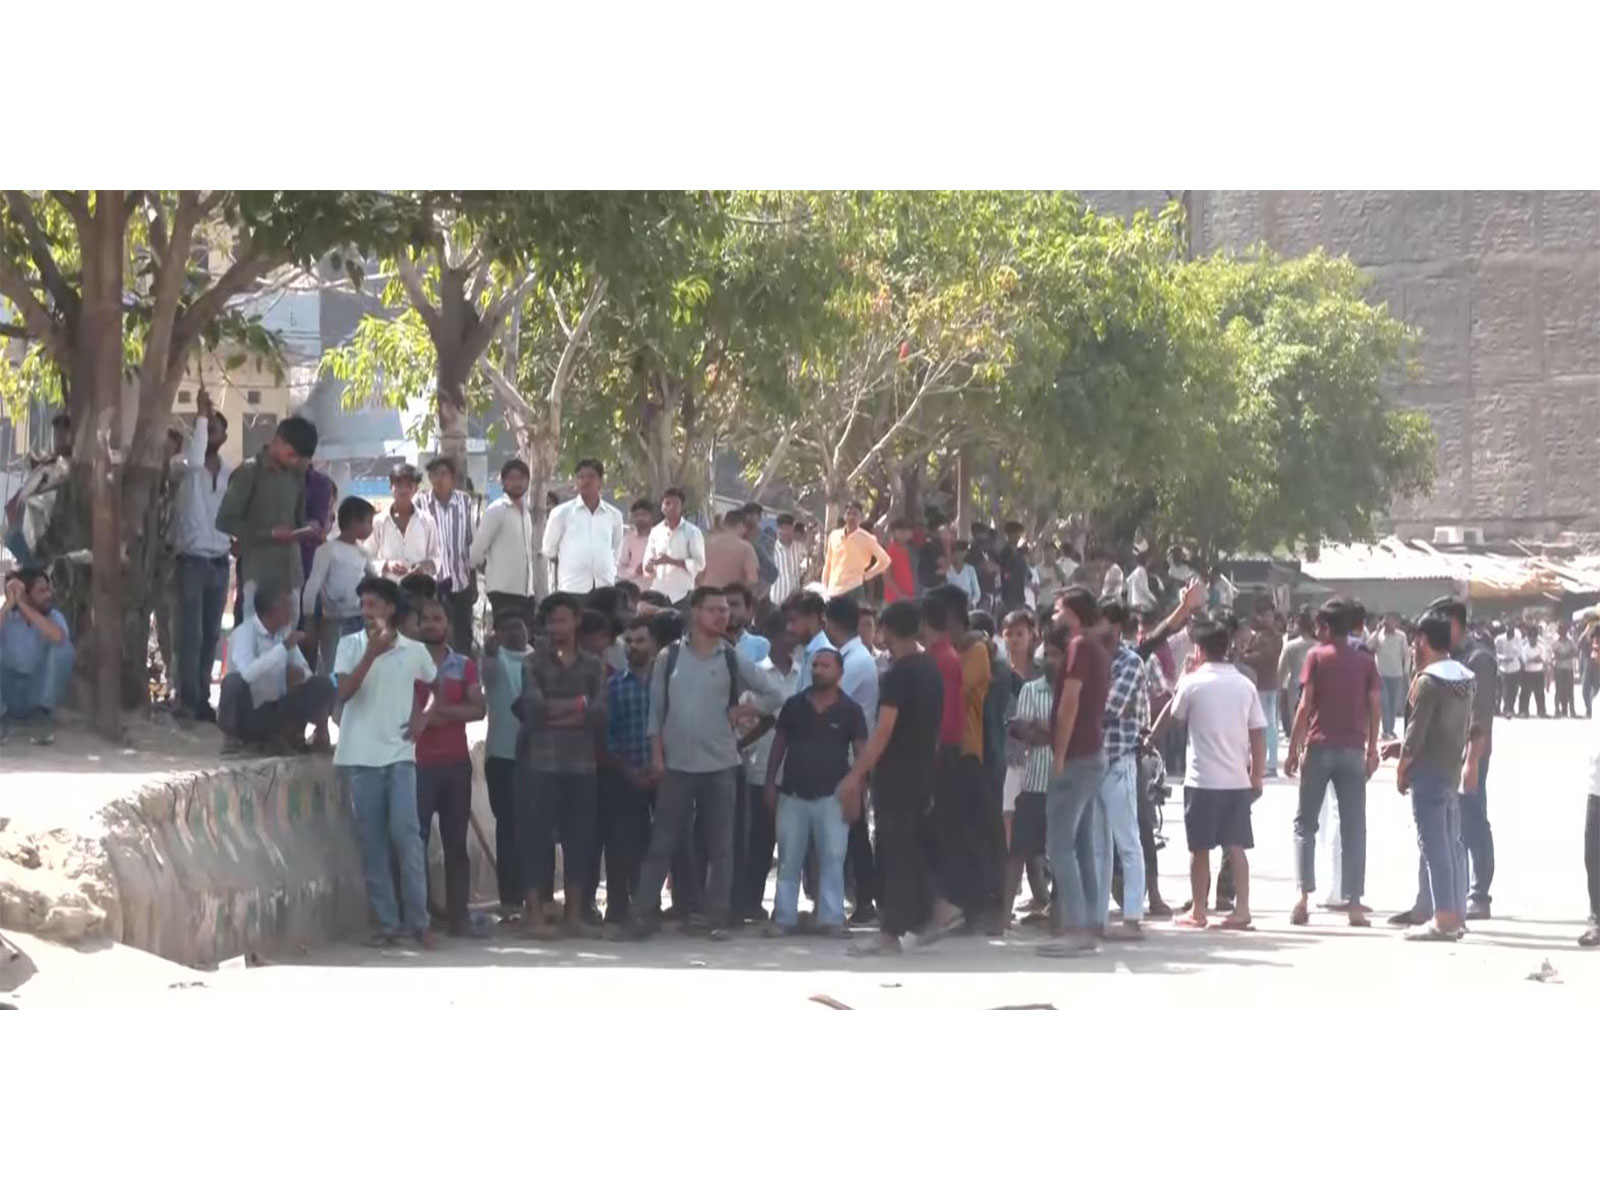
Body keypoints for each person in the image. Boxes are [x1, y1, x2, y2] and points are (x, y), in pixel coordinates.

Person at [626, 586, 785, 940]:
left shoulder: (731, 658)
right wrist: (657, 755)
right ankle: (641, 916)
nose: (723, 615)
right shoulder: (669, 659)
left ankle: (717, 917)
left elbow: (776, 694)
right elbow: (655, 714)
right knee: (662, 843)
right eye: (714, 609)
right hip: (677, 766)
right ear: (695, 614)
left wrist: (744, 710)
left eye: (725, 610)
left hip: (721, 766)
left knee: (721, 845)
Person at [837, 599, 961, 956]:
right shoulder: (930, 670)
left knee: (895, 851)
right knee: (911, 845)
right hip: (923, 769)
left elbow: (884, 730)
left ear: (886, 631)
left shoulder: (898, 675)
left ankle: (896, 930)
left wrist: (856, 774)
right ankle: (932, 911)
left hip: (896, 773)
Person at [331, 576, 438, 946]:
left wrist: (425, 715)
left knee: (407, 837)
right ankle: (388, 923)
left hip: (400, 755)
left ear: (391, 609)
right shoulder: (349, 646)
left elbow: (435, 686)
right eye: (362, 605)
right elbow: (344, 691)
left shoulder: (414, 650)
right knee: (373, 842)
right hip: (360, 757)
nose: (366, 611)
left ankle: (419, 922)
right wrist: (371, 654)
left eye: (373, 604)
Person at [1148, 613, 1265, 930]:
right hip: (1237, 780)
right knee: (1236, 846)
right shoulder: (1244, 685)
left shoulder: (1192, 683)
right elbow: (1258, 731)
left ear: (1198, 649)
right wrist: (1256, 774)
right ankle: (1242, 910)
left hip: (1201, 780)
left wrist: (1186, 676)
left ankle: (1199, 910)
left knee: (1199, 848)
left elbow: (1176, 716)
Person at [1389, 598, 1498, 927]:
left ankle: (1468, 901)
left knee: (1463, 830)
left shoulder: (1473, 661)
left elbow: (1478, 719)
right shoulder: (1453, 668)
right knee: (1446, 839)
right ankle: (1438, 906)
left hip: (1457, 760)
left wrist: (1472, 761)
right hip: (1446, 760)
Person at [514, 592, 608, 937]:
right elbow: (534, 710)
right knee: (536, 839)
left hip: (582, 765)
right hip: (541, 763)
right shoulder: (533, 663)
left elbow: (600, 713)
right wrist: (578, 707)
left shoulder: (593, 664)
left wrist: (565, 710)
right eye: (552, 620)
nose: (557, 627)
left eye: (563, 619)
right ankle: (535, 913)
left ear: (576, 621)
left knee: (579, 840)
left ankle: (573, 914)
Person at [1285, 599, 1381, 928]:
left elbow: (1304, 706)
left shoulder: (1316, 657)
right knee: (1355, 827)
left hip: (1320, 747)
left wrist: (1293, 748)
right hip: (1354, 750)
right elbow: (1375, 705)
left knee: (1305, 825)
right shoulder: (1365, 660)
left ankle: (1302, 898)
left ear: (1326, 627)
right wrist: (1372, 748)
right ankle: (1354, 903)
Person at [762, 647, 869, 936]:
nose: (818, 670)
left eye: (825, 665)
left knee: (833, 858)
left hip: (832, 797)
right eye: (815, 665)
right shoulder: (795, 705)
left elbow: (862, 754)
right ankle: (784, 919)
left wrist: (858, 791)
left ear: (839, 672)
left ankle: (831, 919)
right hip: (793, 794)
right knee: (788, 859)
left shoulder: (850, 710)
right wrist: (770, 782)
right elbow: (778, 745)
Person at [1037, 587, 1111, 958]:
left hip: (1078, 755)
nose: (1053, 614)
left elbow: (1069, 704)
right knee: (1081, 844)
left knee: (1060, 844)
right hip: (1091, 753)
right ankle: (1089, 921)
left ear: (1073, 613)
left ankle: (1075, 928)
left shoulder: (1080, 647)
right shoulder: (1093, 647)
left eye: (1058, 609)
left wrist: (1059, 756)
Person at [1393, 613, 1473, 942]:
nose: (1413, 648)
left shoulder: (1427, 681)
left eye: (1415, 642)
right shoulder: (1466, 678)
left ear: (1423, 641)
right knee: (1450, 845)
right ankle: (1455, 914)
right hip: (1451, 769)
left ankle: (1442, 918)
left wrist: (1401, 768)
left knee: (1433, 846)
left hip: (1427, 772)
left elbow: (1416, 734)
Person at [411, 594, 486, 937]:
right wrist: (433, 717)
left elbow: (478, 709)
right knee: (417, 841)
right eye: (425, 618)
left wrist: (437, 717)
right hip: (418, 765)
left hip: (455, 765)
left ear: (448, 625)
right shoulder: (407, 664)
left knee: (456, 842)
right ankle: (421, 914)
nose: (430, 624)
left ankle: (459, 917)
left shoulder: (464, 665)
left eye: (437, 618)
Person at [215, 414, 318, 619]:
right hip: (260, 575)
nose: (295, 461)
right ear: (278, 442)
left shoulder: (295, 475)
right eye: (292, 454)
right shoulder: (248, 473)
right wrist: (270, 534)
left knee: (287, 642)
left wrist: (309, 528)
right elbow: (225, 521)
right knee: (258, 639)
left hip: (292, 575)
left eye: (300, 458)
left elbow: (297, 520)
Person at [169, 391, 232, 721]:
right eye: (205, 428)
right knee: (189, 634)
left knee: (210, 635)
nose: (209, 434)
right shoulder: (184, 465)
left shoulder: (227, 472)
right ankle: (186, 698)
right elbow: (195, 459)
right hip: (192, 560)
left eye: (214, 429)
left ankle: (201, 699)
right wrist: (201, 415)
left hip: (219, 562)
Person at [734, 611, 801, 922]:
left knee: (790, 843)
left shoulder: (804, 673)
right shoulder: (757, 675)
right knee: (758, 841)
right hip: (760, 768)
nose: (790, 638)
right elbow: (745, 725)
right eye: (784, 633)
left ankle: (784, 907)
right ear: (771, 637)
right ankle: (749, 902)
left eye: (793, 633)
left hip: (797, 769)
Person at [218, 580, 334, 751]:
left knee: (321, 684)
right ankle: (234, 739)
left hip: (278, 708)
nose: (292, 612)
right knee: (233, 682)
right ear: (273, 610)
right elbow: (246, 674)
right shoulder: (245, 633)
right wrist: (282, 649)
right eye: (287, 606)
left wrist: (300, 674)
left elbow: (305, 671)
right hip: (251, 709)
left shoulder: (284, 634)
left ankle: (313, 735)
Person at [1094, 601, 1149, 938]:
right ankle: (1098, 919)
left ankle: (1132, 918)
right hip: (1094, 761)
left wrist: (1083, 706)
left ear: (1114, 627)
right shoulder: (1094, 659)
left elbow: (1109, 708)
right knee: (1099, 846)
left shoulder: (1130, 662)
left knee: (1127, 841)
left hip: (1119, 759)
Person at [826, 592, 880, 924]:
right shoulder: (849, 655)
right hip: (845, 754)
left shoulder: (856, 661)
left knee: (856, 832)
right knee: (851, 831)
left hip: (851, 756)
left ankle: (864, 901)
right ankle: (858, 899)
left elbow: (831, 697)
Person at [1001, 609, 1053, 922]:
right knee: (1011, 825)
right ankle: (1025, 896)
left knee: (1031, 831)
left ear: (1032, 635)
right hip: (1009, 759)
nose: (1015, 640)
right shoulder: (998, 673)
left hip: (1037, 763)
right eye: (1009, 634)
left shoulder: (1041, 675)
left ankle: (1041, 895)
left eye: (1020, 633)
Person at [480, 607, 532, 916]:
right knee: (508, 828)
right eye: (508, 628)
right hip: (501, 754)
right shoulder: (493, 660)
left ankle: (534, 897)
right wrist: (489, 652)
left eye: (520, 626)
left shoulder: (537, 659)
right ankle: (510, 898)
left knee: (533, 827)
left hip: (534, 755)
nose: (516, 633)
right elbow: (487, 677)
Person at [303, 496, 377, 684]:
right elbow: (312, 586)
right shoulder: (328, 550)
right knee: (333, 670)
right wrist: (309, 619)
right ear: (354, 522)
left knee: (356, 669)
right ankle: (332, 709)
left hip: (360, 620)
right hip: (333, 621)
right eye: (369, 522)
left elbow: (375, 581)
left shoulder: (363, 552)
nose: (371, 528)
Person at [0, 568, 74, 744]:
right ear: (26, 594)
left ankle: (41, 717)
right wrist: (9, 604)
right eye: (41, 591)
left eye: (48, 589)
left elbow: (58, 637)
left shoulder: (54, 616)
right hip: (9, 693)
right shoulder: (8, 618)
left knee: (64, 649)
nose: (48, 595)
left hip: (36, 694)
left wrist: (24, 606)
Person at [415, 457, 478, 652]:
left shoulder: (465, 502)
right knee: (431, 635)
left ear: (452, 477)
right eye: (434, 474)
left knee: (462, 636)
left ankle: (463, 677)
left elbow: (471, 540)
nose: (439, 479)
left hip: (460, 581)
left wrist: (473, 580)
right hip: (431, 583)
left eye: (444, 474)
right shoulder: (419, 502)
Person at [470, 459, 538, 625]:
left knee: (525, 643)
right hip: (503, 591)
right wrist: (483, 569)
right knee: (507, 640)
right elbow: (477, 550)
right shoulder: (497, 509)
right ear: (503, 481)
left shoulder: (526, 513)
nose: (518, 483)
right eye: (512, 478)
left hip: (526, 592)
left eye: (522, 478)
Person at [541, 459, 624, 594]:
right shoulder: (561, 513)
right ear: (576, 482)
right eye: (581, 477)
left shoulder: (614, 515)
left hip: (604, 587)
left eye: (591, 477)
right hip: (572, 587)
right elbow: (549, 550)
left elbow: (616, 549)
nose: (585, 481)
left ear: (600, 482)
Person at [4, 412, 73, 568]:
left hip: (54, 510)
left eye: (63, 435)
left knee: (33, 506)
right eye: (56, 435)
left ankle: (35, 561)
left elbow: (60, 481)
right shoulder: (47, 461)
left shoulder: (70, 463)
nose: (58, 439)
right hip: (37, 506)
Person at [367, 463, 440, 580]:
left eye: (408, 485)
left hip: (418, 591)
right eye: (398, 484)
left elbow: (436, 557)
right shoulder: (378, 522)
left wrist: (423, 567)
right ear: (391, 487)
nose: (403, 489)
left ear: (415, 488)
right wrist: (386, 565)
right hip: (388, 592)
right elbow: (367, 559)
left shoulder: (427, 521)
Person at [1239, 606, 1284, 775]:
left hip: (1268, 683)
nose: (1268, 619)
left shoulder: (1274, 638)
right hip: (1258, 683)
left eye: (1270, 616)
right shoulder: (1259, 636)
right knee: (1261, 724)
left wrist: (1245, 657)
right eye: (1265, 615)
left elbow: (1267, 657)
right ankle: (1264, 762)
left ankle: (1270, 764)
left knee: (1267, 725)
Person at [643, 486, 706, 604]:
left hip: (682, 595)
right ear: (662, 507)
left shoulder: (692, 532)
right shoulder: (655, 531)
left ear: (682, 507)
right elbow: (648, 565)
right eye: (667, 503)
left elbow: (700, 564)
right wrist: (649, 568)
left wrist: (671, 561)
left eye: (675, 504)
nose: (670, 507)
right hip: (658, 593)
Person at [821, 500, 890, 601]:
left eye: (855, 514)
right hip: (834, 589)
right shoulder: (834, 536)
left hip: (854, 589)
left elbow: (885, 560)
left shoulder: (867, 538)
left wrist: (867, 575)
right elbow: (828, 564)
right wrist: (824, 586)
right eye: (848, 514)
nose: (851, 517)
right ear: (844, 516)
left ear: (861, 518)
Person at [1370, 612, 1411, 739]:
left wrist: (1405, 671)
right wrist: (1376, 631)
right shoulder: (1378, 636)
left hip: (1396, 674)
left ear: (1396, 623)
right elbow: (1369, 646)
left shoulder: (1401, 636)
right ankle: (1386, 730)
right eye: (1387, 620)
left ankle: (1390, 730)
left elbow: (1406, 655)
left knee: (1393, 704)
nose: (1390, 623)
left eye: (1393, 621)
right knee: (1385, 703)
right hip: (1381, 674)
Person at [699, 509, 758, 591]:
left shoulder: (708, 544)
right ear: (742, 526)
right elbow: (752, 580)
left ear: (724, 524)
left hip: (706, 594)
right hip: (730, 598)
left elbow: (698, 574)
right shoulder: (746, 548)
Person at [724, 583, 770, 663]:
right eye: (724, 605)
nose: (728, 611)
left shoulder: (760, 645)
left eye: (734, 605)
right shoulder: (706, 646)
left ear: (749, 611)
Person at [616, 498, 657, 591]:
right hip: (634, 592)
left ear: (652, 517)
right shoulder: (629, 538)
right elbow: (620, 570)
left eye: (644, 514)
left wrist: (655, 569)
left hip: (657, 592)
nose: (640, 518)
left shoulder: (662, 537)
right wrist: (635, 570)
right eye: (637, 515)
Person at [772, 513, 808, 605]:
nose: (786, 532)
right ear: (777, 530)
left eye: (789, 528)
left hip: (796, 601)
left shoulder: (801, 548)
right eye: (783, 528)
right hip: (777, 599)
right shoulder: (771, 550)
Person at [884, 516, 917, 604]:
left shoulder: (913, 550)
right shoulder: (890, 550)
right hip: (895, 599)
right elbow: (887, 576)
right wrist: (900, 594)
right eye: (901, 531)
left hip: (912, 597)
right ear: (894, 532)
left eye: (907, 531)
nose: (904, 534)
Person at [1519, 623, 1548, 718]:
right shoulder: (1524, 647)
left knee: (1540, 694)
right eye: (1530, 637)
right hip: (1527, 673)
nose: (1532, 639)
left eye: (1534, 637)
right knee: (1525, 693)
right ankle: (1523, 711)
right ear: (1528, 637)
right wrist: (1535, 659)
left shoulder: (1541, 647)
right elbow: (1525, 661)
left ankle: (1541, 711)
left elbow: (1542, 659)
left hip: (1538, 672)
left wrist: (1532, 659)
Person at [943, 541, 982, 609]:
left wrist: (972, 603)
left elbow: (977, 593)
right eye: (955, 552)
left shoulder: (970, 569)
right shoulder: (947, 570)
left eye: (961, 552)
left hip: (967, 607)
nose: (958, 555)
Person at [1551, 623, 1579, 718]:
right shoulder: (1555, 641)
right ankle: (1557, 710)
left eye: (1564, 630)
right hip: (1559, 668)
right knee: (1559, 690)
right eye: (1560, 630)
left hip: (1569, 668)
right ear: (1558, 631)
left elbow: (1575, 652)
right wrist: (1565, 655)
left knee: (1570, 690)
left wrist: (1564, 655)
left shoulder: (1570, 641)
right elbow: (1555, 654)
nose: (1562, 632)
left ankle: (1571, 710)